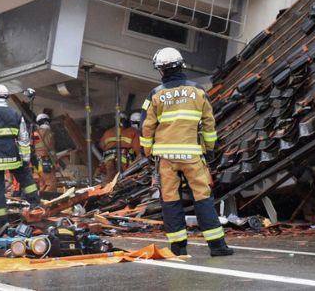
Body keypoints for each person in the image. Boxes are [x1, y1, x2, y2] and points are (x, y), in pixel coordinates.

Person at [141, 47, 233, 257]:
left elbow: (146, 127)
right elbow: (209, 124)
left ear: (160, 70)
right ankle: (217, 246)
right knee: (202, 197)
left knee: (171, 200)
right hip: (192, 156)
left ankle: (178, 248)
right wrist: (209, 150)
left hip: (166, 159)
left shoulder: (155, 94)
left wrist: (147, 152)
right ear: (181, 65)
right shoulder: (198, 91)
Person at [0, 84, 41, 228]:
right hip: (13, 158)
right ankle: (35, 203)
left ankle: (1, 223)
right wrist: (25, 158)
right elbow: (23, 139)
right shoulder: (16, 115)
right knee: (26, 179)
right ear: (6, 98)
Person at [99, 113, 140, 181]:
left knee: (110, 175)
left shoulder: (107, 133)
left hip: (108, 159)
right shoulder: (133, 132)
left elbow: (101, 146)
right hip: (125, 160)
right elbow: (138, 151)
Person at [32, 113, 58, 192]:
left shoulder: (35, 133)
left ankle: (42, 201)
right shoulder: (48, 132)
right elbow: (50, 148)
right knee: (51, 182)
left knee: (42, 183)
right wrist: (55, 161)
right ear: (46, 121)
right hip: (45, 160)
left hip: (36, 161)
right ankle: (49, 202)